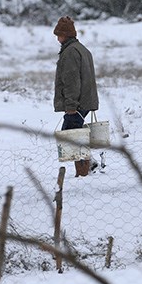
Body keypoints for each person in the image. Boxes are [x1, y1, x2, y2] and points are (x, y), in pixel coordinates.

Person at [53, 16, 99, 177]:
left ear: (65, 35)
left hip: (77, 104)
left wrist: (71, 105)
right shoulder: (81, 49)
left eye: (58, 35)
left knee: (71, 135)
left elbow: (72, 81)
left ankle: (85, 171)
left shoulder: (70, 52)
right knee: (74, 133)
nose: (57, 38)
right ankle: (89, 165)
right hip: (85, 101)